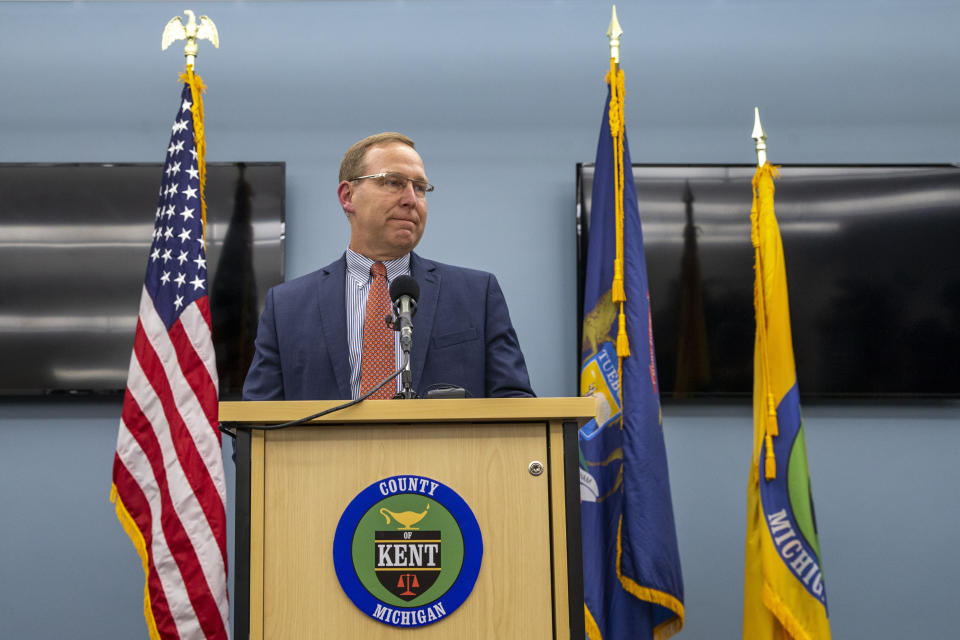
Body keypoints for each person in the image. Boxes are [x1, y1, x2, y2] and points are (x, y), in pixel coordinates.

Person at [242, 132, 534, 400]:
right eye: (393, 182)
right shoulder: (287, 307)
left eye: (420, 188)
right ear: (348, 196)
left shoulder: (476, 296)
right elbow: (255, 427)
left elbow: (516, 405)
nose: (411, 200)